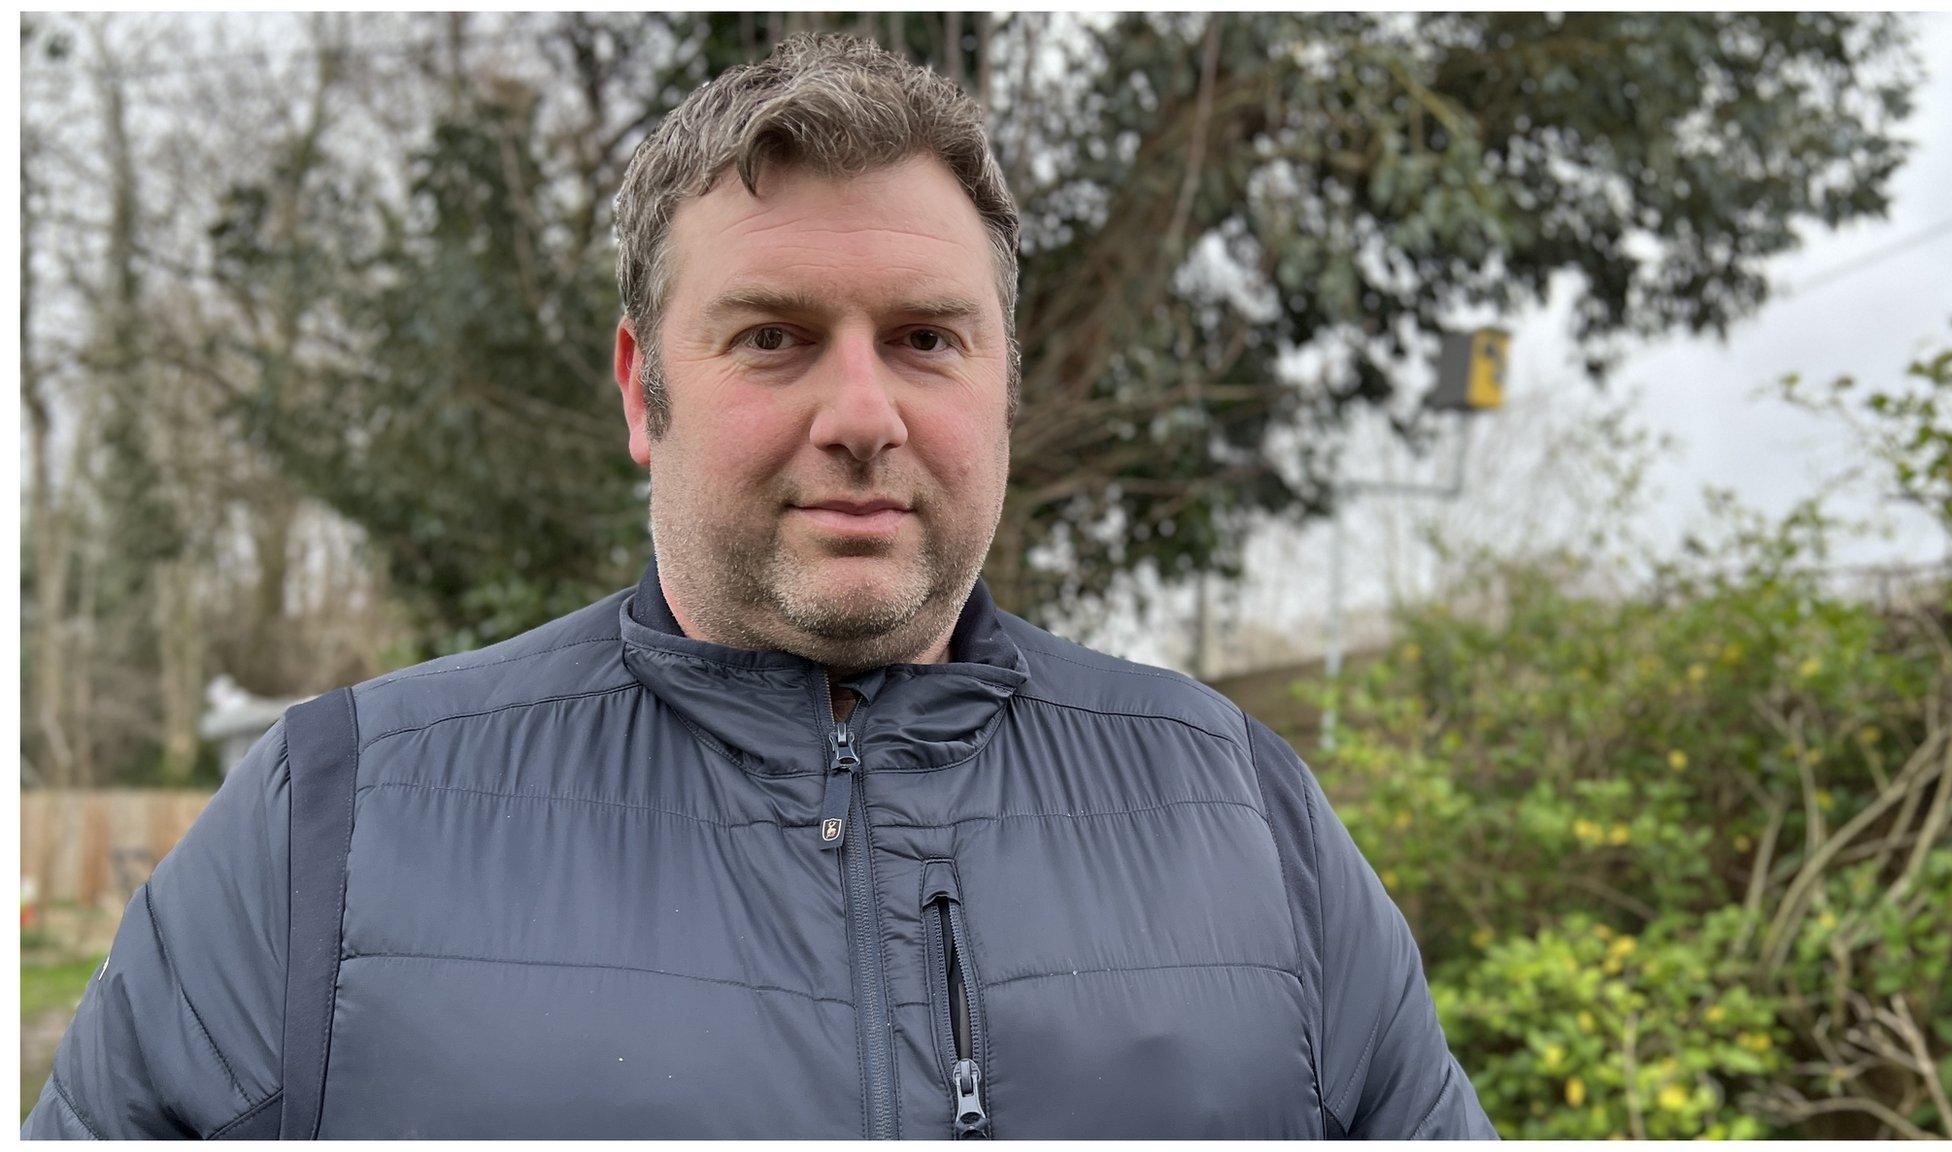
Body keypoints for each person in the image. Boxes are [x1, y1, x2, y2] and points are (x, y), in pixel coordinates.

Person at [24, 34, 1495, 1140]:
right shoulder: (328, 825)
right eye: (774, 338)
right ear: (642, 389)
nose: (863, 412)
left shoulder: (1246, 816)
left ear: (1004, 386)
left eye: (926, 338)